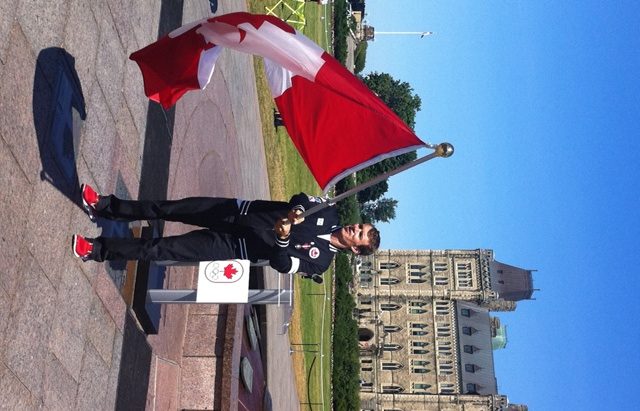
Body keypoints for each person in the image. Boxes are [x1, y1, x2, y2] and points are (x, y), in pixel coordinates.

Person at [72, 184, 380, 278]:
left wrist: (283, 238)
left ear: (356, 249)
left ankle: (98, 249)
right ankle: (106, 206)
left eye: (359, 234)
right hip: (237, 212)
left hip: (234, 246)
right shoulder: (329, 212)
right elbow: (301, 198)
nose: (355, 228)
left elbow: (283, 264)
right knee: (169, 208)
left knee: (162, 249)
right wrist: (297, 212)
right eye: (360, 226)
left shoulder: (321, 262)